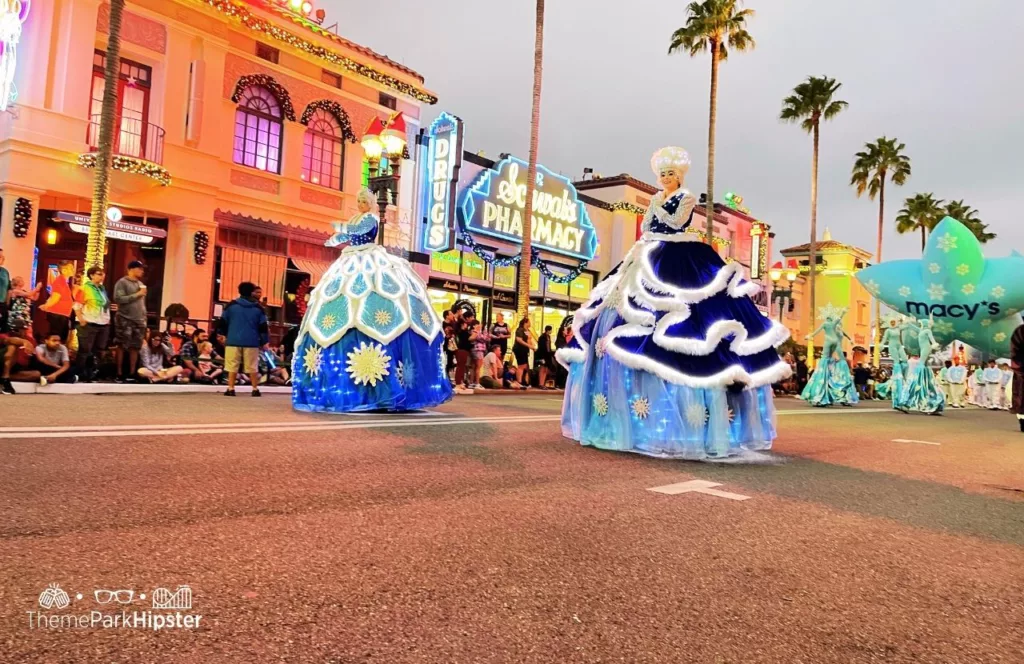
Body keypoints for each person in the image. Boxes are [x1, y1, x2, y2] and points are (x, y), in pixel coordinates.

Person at [556, 146, 790, 459]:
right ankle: (616, 418)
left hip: (679, 255)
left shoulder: (687, 197)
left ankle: (691, 424)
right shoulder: (658, 197)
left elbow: (676, 223)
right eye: (662, 174)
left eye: (670, 174)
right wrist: (653, 210)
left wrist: (658, 204)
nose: (665, 179)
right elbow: (647, 227)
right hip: (647, 253)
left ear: (679, 176)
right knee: (617, 312)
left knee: (694, 317)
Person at [291, 188, 452, 412]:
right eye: (358, 200)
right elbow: (348, 234)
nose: (360, 203)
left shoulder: (370, 218)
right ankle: (345, 387)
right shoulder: (356, 217)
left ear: (371, 203)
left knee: (378, 300)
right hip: (349, 261)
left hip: (369, 260)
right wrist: (336, 239)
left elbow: (356, 230)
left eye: (363, 200)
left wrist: (339, 229)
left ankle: (387, 387)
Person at [219, 281, 269, 397]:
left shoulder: (231, 306)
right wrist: (264, 341)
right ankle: (255, 389)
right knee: (252, 366)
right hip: (251, 341)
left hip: (233, 340)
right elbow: (263, 327)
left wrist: (222, 334)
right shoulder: (258, 309)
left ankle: (231, 388)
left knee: (232, 365)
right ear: (252, 292)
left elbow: (223, 322)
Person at [801, 308, 858, 407]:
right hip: (835, 343)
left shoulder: (827, 324)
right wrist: (842, 313)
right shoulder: (835, 326)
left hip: (829, 342)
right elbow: (838, 321)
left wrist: (809, 336)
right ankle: (831, 393)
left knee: (825, 359)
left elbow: (817, 332)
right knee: (829, 360)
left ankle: (821, 395)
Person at [896, 318, 944, 414]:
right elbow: (914, 327)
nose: (920, 325)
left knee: (920, 368)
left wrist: (934, 345)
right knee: (923, 369)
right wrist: (907, 323)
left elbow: (933, 341)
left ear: (924, 324)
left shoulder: (927, 330)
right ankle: (927, 400)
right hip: (923, 349)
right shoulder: (922, 330)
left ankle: (910, 398)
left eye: (921, 323)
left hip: (926, 348)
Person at [72, 266, 111, 382]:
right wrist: (81, 320)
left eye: (103, 274)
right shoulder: (85, 288)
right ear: (92, 275)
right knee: (85, 351)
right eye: (99, 274)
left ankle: (92, 374)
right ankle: (80, 374)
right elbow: (76, 305)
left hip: (102, 324)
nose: (102, 276)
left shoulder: (102, 289)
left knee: (98, 350)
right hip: (89, 323)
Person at [112, 261, 148, 382]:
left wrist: (144, 317)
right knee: (122, 345)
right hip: (125, 318)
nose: (142, 271)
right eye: (140, 269)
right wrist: (138, 294)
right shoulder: (122, 282)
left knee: (135, 347)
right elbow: (119, 299)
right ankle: (119, 373)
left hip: (140, 320)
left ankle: (132, 373)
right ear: (131, 269)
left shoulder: (141, 284)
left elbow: (142, 304)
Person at [39, 260, 75, 342]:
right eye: (70, 268)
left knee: (60, 337)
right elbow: (55, 297)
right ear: (64, 270)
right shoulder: (59, 282)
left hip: (62, 314)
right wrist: (46, 306)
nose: (73, 270)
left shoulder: (63, 282)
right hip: (57, 314)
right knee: (56, 338)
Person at [1, 324, 43, 392]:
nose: (19, 331)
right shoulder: (4, 336)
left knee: (36, 374)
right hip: (4, 364)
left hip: (18, 368)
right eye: (16, 329)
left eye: (21, 329)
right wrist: (23, 341)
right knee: (12, 346)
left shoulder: (31, 340)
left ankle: (4, 377)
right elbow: (9, 340)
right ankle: (5, 378)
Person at [876, 317, 908, 407]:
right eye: (891, 322)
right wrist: (881, 344)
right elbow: (884, 339)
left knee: (905, 360)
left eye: (894, 321)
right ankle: (896, 377)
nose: (893, 323)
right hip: (892, 346)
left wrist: (907, 321)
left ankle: (903, 375)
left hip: (899, 345)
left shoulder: (898, 328)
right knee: (897, 362)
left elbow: (905, 326)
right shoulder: (888, 330)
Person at [1010, 323, 1024, 432]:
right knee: (1021, 399)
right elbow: (1015, 353)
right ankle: (1022, 422)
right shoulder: (1020, 331)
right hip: (1022, 371)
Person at [513, 318, 534, 386]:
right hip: (519, 349)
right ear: (525, 322)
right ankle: (519, 381)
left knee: (525, 366)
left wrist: (531, 345)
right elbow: (519, 339)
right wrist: (529, 345)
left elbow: (528, 340)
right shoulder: (520, 329)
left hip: (525, 350)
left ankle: (523, 380)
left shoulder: (527, 330)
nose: (530, 323)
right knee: (521, 365)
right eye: (529, 322)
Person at [535, 325, 554, 389]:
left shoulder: (548, 336)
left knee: (546, 369)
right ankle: (540, 383)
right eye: (551, 330)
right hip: (543, 355)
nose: (551, 331)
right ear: (548, 330)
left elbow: (549, 346)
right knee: (542, 369)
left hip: (548, 355)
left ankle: (543, 383)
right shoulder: (542, 337)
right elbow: (542, 347)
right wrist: (543, 356)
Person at [0, 247, 9, 331]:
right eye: (0, 256)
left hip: (3, 305)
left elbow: (8, 288)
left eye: (2, 256)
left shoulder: (5, 272)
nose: (3, 259)